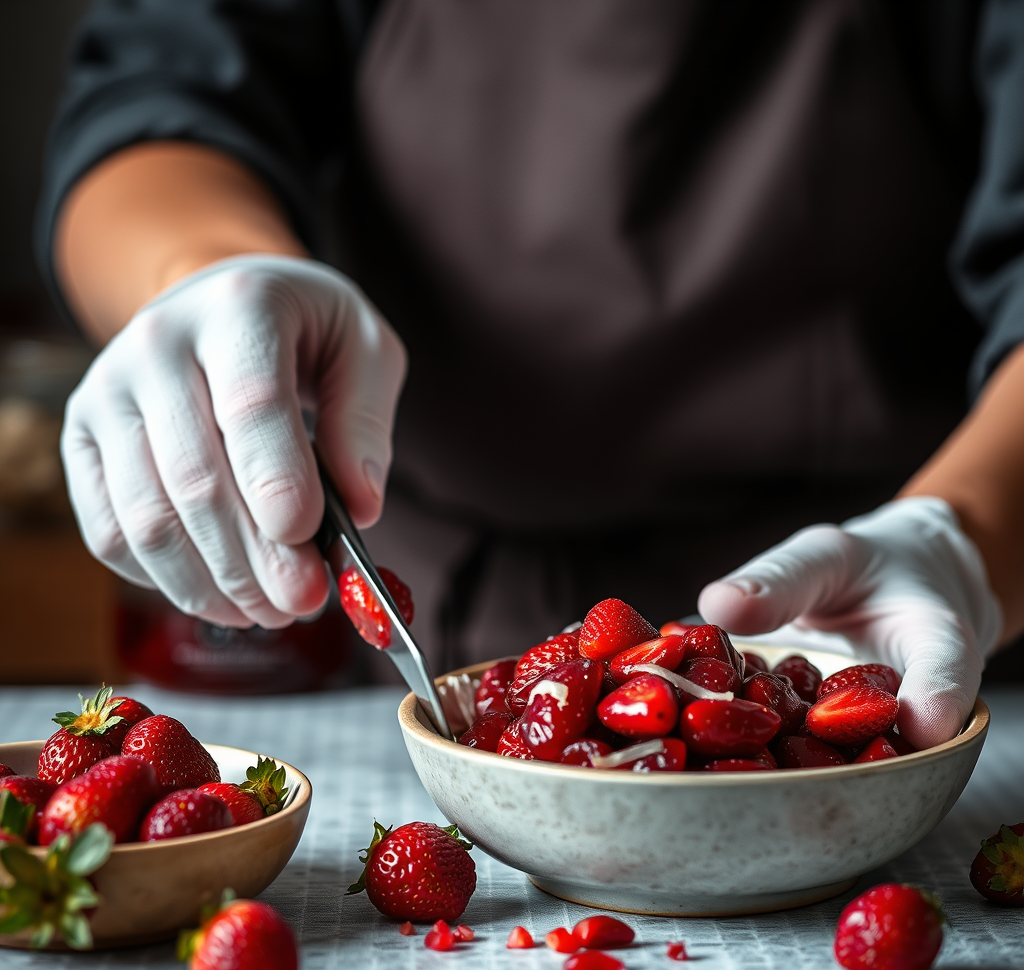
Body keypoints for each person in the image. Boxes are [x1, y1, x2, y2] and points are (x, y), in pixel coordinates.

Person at [37, 0, 1024, 749]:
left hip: (895, 628)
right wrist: (208, 273)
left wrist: (966, 533)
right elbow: (161, 89)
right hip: (416, 635)